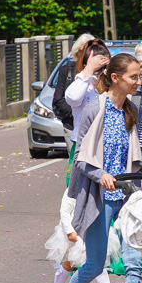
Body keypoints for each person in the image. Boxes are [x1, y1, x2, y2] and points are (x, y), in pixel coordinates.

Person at [54, 53, 142, 283]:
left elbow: (139, 159)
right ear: (116, 78)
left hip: (126, 197)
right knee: (94, 263)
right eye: (133, 77)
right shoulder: (95, 110)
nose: (139, 80)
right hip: (99, 197)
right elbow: (80, 159)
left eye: (140, 76)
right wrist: (100, 174)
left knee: (133, 262)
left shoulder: (130, 110)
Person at [44, 188, 124, 283]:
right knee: (69, 262)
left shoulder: (100, 191)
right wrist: (69, 231)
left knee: (97, 260)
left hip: (94, 229)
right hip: (76, 231)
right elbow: (65, 211)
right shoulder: (73, 190)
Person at [53, 33, 95, 184]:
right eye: (83, 51)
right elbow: (59, 99)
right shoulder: (67, 70)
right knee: (76, 168)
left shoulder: (100, 73)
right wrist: (78, 114)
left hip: (95, 128)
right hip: (73, 127)